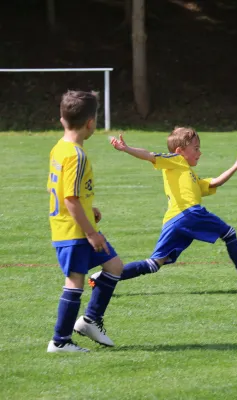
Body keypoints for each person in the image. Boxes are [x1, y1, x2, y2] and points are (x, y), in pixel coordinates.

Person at [89, 127, 237, 293]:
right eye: (196, 148)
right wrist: (126, 148)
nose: (200, 152)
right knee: (229, 233)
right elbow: (150, 155)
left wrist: (236, 165)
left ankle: (104, 278)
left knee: (154, 264)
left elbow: (215, 182)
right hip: (189, 213)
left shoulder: (189, 173)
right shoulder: (175, 160)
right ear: (180, 151)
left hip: (174, 220)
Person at [47, 90, 124, 353]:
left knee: (114, 265)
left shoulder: (60, 148)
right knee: (75, 282)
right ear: (91, 122)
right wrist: (91, 232)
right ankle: (60, 341)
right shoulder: (77, 155)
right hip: (74, 231)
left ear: (62, 119)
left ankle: (90, 321)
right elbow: (69, 198)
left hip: (72, 225)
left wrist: (90, 208)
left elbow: (64, 192)